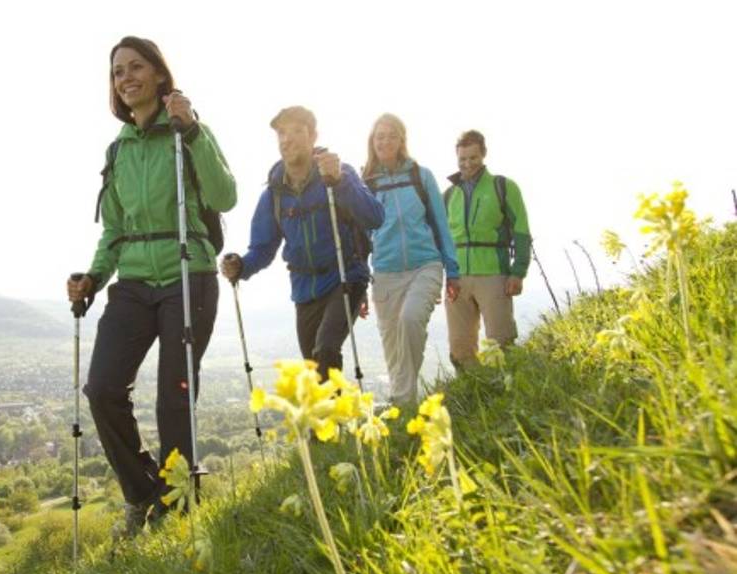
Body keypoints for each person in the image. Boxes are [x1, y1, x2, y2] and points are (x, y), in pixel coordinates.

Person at [66, 36, 236, 536]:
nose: (126, 77)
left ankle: (181, 505)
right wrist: (94, 277)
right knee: (101, 388)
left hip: (190, 275)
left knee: (173, 397)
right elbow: (114, 231)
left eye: (135, 67)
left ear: (160, 75)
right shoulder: (117, 150)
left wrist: (194, 131)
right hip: (135, 281)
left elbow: (224, 195)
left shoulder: (189, 133)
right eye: (118, 71)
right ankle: (144, 493)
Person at [220, 106, 383, 377]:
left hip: (346, 278)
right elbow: (262, 248)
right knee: (314, 370)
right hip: (305, 289)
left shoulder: (338, 173)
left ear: (313, 135)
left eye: (296, 131)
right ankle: (331, 418)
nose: (287, 139)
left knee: (326, 350)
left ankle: (332, 416)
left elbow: (375, 217)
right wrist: (241, 266)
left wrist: (340, 181)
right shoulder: (274, 193)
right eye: (282, 133)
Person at [361, 114, 460, 408]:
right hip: (385, 273)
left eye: (391, 135)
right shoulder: (366, 184)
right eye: (379, 135)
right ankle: (406, 413)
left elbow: (441, 225)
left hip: (425, 265)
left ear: (402, 140)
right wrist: (358, 285)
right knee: (392, 348)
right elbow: (360, 238)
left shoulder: (421, 176)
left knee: (411, 319)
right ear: (372, 141)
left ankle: (401, 401)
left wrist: (452, 271)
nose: (385, 141)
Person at [443, 130, 531, 368]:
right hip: (457, 278)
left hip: (494, 274)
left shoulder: (503, 186)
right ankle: (474, 393)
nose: (467, 164)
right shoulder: (449, 194)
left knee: (502, 342)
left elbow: (521, 231)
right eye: (462, 159)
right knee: (460, 347)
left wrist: (518, 271)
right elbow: (440, 237)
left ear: (483, 154)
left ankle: (508, 390)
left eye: (473, 157)